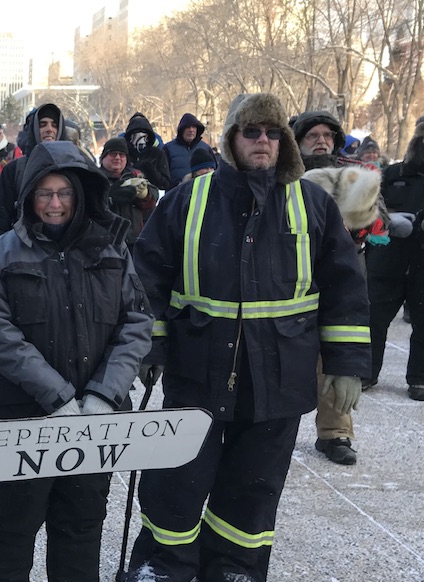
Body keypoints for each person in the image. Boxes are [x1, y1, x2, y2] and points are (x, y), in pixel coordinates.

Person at [126, 93, 371, 582]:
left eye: (274, 133)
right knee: (175, 485)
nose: (264, 141)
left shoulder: (313, 204)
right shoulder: (187, 199)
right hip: (195, 376)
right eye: (252, 131)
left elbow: (346, 286)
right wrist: (149, 343)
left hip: (277, 384)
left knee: (252, 494)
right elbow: (146, 277)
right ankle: (161, 567)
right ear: (231, 139)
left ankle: (235, 570)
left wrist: (346, 363)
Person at [0, 140, 153, 581]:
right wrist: (57, 396)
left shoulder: (111, 250)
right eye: (44, 193)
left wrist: (105, 394)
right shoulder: (2, 253)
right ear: (30, 197)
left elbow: (136, 322)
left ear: (81, 194)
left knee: (81, 526)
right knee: (9, 528)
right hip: (24, 419)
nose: (54, 204)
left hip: (95, 420)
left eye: (64, 193)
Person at [293, 110, 387, 465]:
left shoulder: (354, 178)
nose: (321, 140)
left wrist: (363, 229)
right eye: (312, 135)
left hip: (339, 278)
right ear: (298, 141)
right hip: (291, 280)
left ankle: (335, 433)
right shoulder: (281, 178)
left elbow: (377, 222)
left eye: (327, 135)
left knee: (335, 350)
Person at [368, 120, 424, 403]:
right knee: (374, 318)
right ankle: (367, 371)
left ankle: (420, 378)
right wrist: (388, 221)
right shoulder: (391, 174)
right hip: (387, 257)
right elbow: (368, 206)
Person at [0, 103, 68, 242]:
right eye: (43, 124)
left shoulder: (75, 168)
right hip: (23, 252)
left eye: (54, 125)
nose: (49, 129)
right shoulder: (14, 170)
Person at [99, 137, 158, 248]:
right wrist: (110, 197)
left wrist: (145, 194)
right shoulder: (95, 177)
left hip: (136, 240)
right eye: (113, 154)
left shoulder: (135, 175)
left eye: (122, 155)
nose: (118, 158)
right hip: (106, 242)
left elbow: (154, 194)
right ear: (103, 157)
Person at [124, 112, 174, 191]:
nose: (139, 137)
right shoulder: (124, 153)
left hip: (151, 198)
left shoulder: (157, 153)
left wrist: (151, 171)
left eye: (144, 133)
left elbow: (165, 183)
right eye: (135, 133)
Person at [163, 113, 214, 183]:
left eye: (193, 127)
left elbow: (215, 171)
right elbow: (163, 176)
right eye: (188, 127)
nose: (191, 130)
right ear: (181, 130)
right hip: (176, 192)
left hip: (202, 191)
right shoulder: (168, 149)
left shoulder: (206, 148)